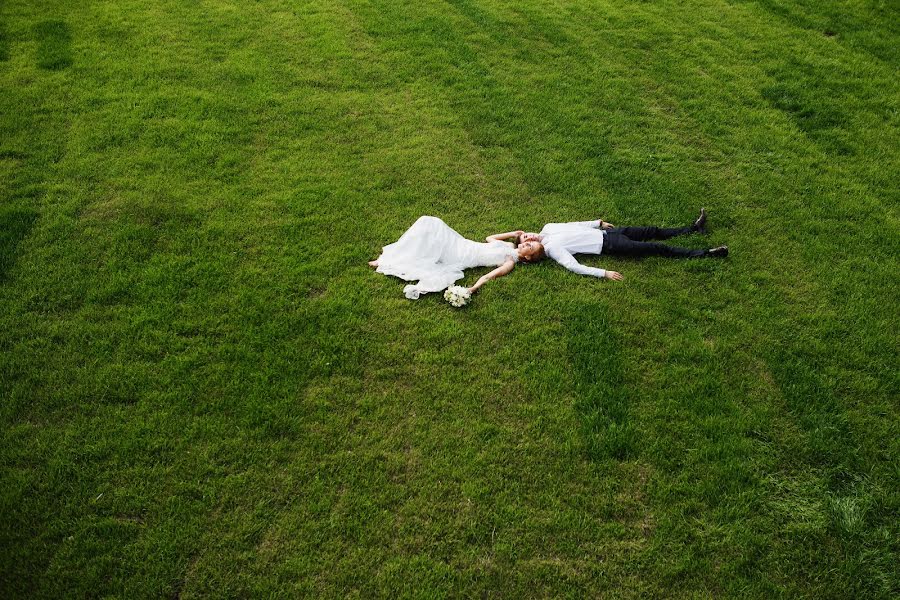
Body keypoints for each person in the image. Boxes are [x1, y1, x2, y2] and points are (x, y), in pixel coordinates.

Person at [519, 208, 727, 281]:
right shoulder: (553, 250)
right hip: (613, 244)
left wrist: (597, 223)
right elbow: (574, 266)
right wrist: (604, 273)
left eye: (525, 238)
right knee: (658, 248)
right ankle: (706, 253)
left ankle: (692, 229)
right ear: (535, 253)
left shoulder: (547, 228)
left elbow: (572, 224)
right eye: (526, 244)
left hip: (608, 231)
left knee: (652, 231)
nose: (527, 238)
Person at [369, 216, 544, 299]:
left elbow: (489, 276)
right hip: (464, 244)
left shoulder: (510, 262)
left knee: (432, 235)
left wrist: (473, 288)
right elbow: (490, 239)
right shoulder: (509, 245)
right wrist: (512, 233)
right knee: (429, 222)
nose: (527, 243)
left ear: (528, 258)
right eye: (529, 242)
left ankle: (386, 262)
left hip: (463, 256)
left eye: (530, 247)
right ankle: (392, 256)